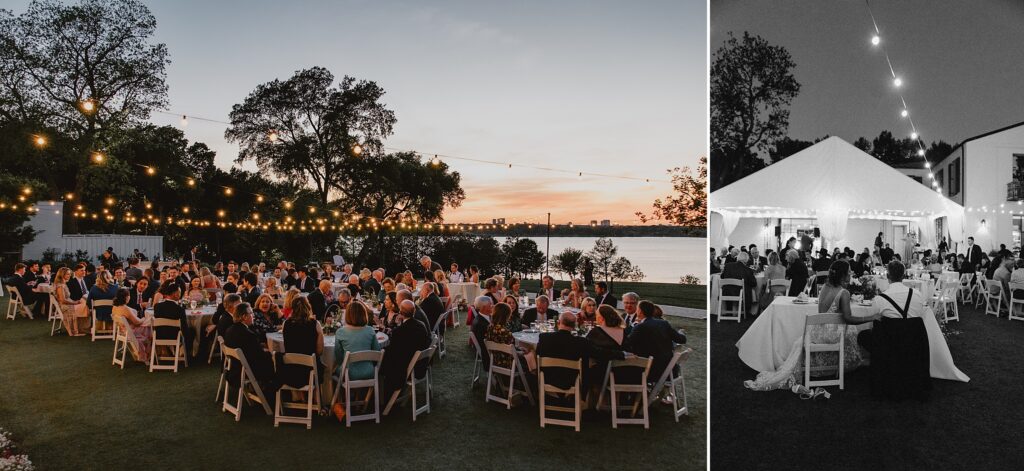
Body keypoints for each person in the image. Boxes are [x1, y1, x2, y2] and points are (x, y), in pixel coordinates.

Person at [536, 311, 627, 391]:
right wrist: (622, 353)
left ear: (559, 323)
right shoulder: (581, 342)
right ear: (575, 326)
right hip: (573, 380)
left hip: (548, 378)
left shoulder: (544, 338)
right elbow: (599, 353)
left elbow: (538, 355)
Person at [380, 299, 432, 400]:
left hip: (407, 367)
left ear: (400, 312)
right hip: (421, 364)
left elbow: (393, 352)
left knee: (382, 360)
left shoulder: (400, 331)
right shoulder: (421, 325)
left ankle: (382, 395)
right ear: (414, 312)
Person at [224, 302, 276, 390]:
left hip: (235, 368)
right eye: (251, 313)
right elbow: (259, 356)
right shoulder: (248, 334)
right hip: (248, 371)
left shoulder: (229, 330)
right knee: (275, 358)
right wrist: (271, 353)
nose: (253, 316)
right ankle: (271, 390)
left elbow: (249, 349)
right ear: (244, 316)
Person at [277, 296, 325, 390]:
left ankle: (299, 396)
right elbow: (320, 351)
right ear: (308, 307)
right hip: (309, 371)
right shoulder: (315, 324)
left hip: (290, 370)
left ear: (292, 308)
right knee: (323, 366)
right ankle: (317, 398)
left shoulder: (286, 324)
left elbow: (288, 346)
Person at [333, 301, 382, 379]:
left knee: (332, 370)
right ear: (364, 314)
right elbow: (377, 352)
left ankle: (339, 391)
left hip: (348, 373)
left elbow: (338, 357)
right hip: (369, 372)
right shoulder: (370, 330)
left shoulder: (340, 332)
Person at [153, 281, 193, 364]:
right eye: (179, 292)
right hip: (175, 336)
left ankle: (170, 351)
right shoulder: (179, 309)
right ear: (175, 294)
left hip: (159, 335)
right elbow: (184, 328)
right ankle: (188, 355)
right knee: (192, 330)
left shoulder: (157, 306)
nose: (180, 294)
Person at [111, 288, 152, 362]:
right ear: (126, 297)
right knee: (149, 327)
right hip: (131, 332)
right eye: (129, 295)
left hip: (122, 331)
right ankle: (150, 353)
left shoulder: (114, 307)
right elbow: (137, 322)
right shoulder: (125, 309)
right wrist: (144, 318)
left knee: (147, 325)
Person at [483, 303, 519, 371]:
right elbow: (513, 348)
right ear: (506, 316)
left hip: (495, 360)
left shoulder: (490, 327)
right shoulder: (504, 332)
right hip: (508, 363)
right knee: (529, 355)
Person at [53, 267, 88, 335]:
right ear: (62, 275)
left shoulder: (63, 284)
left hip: (69, 304)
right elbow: (63, 300)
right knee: (86, 307)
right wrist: (74, 303)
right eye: (67, 274)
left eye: (69, 274)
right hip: (66, 306)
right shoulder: (60, 285)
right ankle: (79, 329)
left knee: (85, 305)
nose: (70, 276)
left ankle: (83, 328)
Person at [470, 296, 494, 369]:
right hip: (489, 355)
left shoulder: (484, 317)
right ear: (484, 308)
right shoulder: (481, 324)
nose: (492, 306)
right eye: (490, 305)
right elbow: (487, 343)